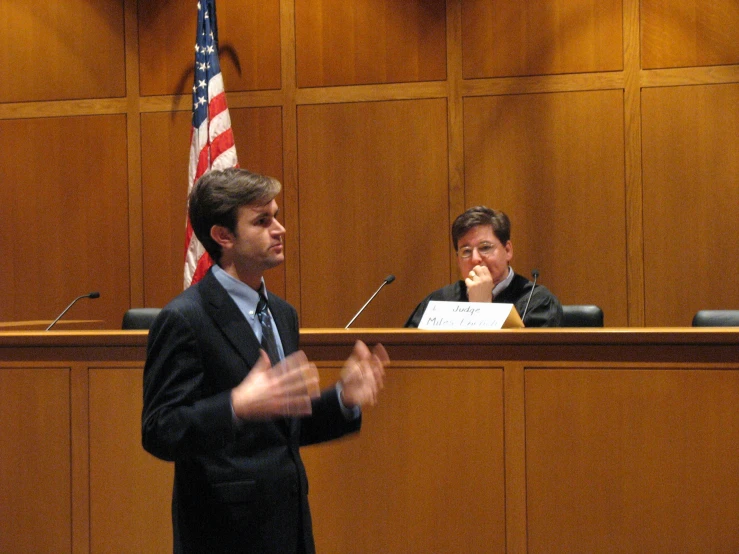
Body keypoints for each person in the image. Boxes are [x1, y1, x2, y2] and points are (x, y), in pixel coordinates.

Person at [142, 168, 388, 554]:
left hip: (288, 527)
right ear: (223, 236)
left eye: (275, 215)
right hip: (223, 534)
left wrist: (342, 399)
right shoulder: (185, 318)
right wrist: (235, 405)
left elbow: (280, 427)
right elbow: (160, 430)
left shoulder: (282, 313)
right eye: (262, 220)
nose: (280, 228)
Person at [405, 206, 562, 328]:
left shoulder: (537, 303)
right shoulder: (439, 301)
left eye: (485, 248)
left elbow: (527, 365)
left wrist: (481, 308)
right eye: (466, 251)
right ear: (458, 259)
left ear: (508, 250)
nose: (475, 259)